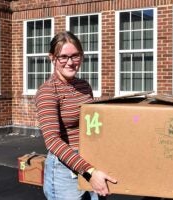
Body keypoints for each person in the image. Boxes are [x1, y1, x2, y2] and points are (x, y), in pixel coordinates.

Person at [35, 31, 117, 200]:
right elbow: (52, 141)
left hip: (91, 160)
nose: (70, 62)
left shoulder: (84, 86)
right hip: (64, 171)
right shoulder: (48, 91)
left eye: (75, 56)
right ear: (52, 58)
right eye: (63, 57)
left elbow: (91, 125)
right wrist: (89, 171)